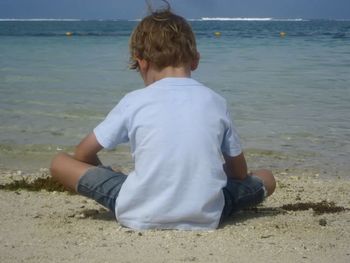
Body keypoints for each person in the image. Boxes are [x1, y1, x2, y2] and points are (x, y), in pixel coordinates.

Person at [50, 5, 275, 230]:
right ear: (195, 60)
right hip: (207, 215)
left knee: (60, 162)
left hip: (136, 210)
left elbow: (83, 153)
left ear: (141, 62)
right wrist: (207, 172)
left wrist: (106, 173)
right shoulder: (216, 101)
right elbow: (239, 172)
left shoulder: (134, 100)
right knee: (266, 177)